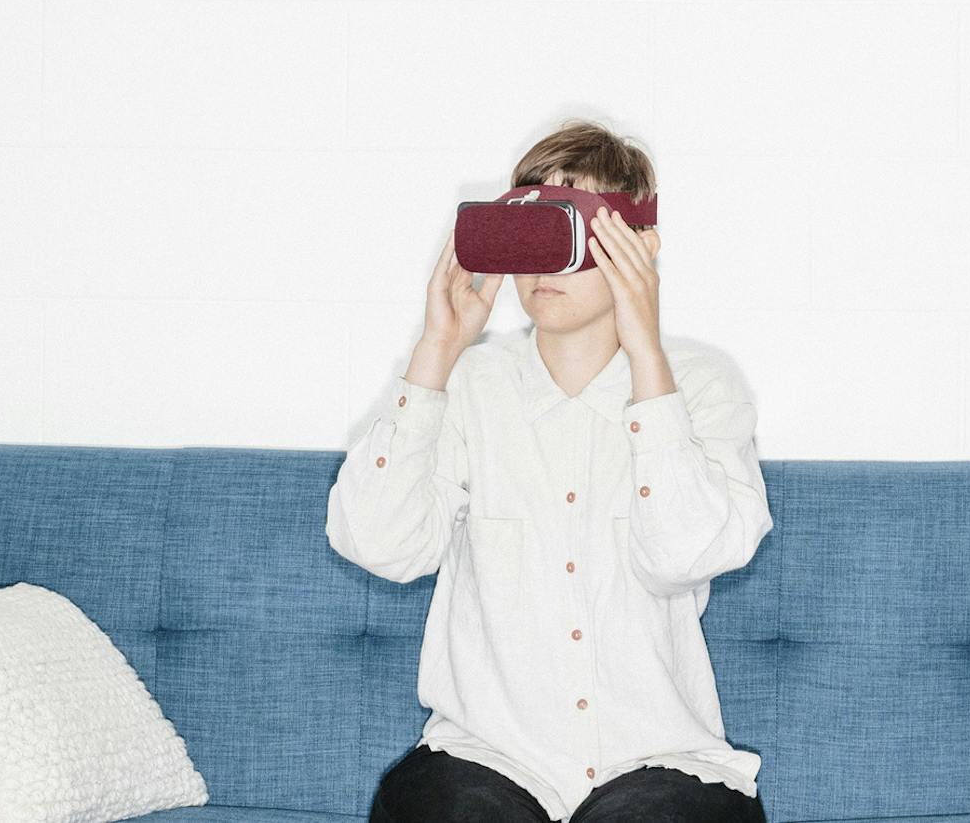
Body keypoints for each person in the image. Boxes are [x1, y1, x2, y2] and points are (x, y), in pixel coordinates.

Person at [327, 119, 772, 823]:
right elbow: (379, 545)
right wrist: (436, 349)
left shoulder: (701, 387)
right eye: (529, 233)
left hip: (657, 760)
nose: (546, 265)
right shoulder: (467, 386)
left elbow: (684, 556)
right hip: (488, 757)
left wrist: (646, 356)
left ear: (639, 244)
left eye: (574, 232)